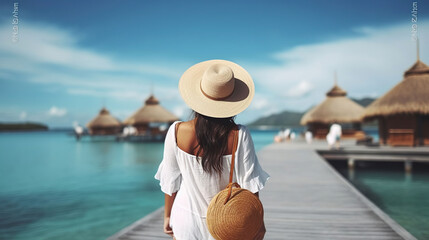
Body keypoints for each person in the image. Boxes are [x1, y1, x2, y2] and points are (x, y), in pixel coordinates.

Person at [155, 60, 269, 240]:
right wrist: (258, 223)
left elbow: (171, 180)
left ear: (198, 97)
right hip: (226, 223)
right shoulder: (239, 135)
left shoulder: (176, 131)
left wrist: (167, 215)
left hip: (185, 219)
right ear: (232, 102)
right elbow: (249, 184)